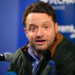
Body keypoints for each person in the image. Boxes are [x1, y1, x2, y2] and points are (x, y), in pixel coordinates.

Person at [7, 1, 75, 75]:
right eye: (33, 28)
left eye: (46, 27)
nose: (39, 34)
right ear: (26, 32)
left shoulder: (69, 54)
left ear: (55, 28)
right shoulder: (19, 55)